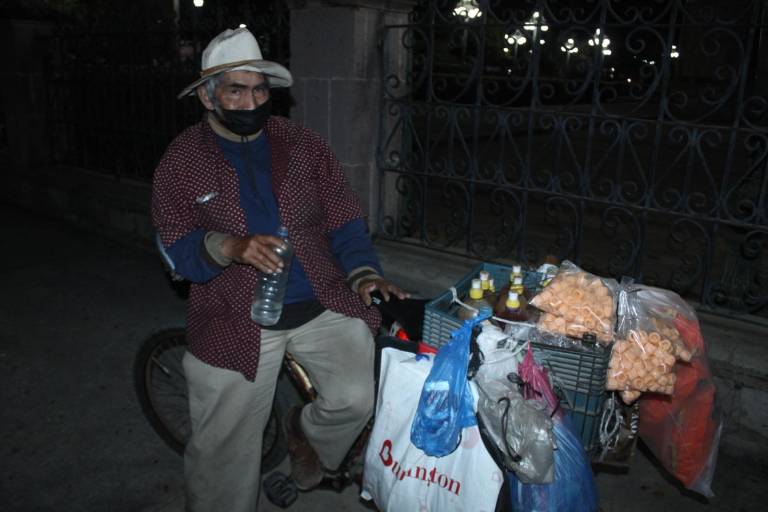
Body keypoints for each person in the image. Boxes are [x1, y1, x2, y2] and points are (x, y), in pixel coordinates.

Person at [152, 27, 407, 512]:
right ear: (208, 97)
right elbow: (173, 247)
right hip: (233, 315)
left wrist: (364, 274)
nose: (251, 101)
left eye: (260, 89)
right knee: (224, 452)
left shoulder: (302, 144)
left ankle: (301, 432)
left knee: (357, 399)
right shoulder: (182, 161)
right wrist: (227, 245)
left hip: (322, 302)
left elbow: (344, 217)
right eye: (236, 89)